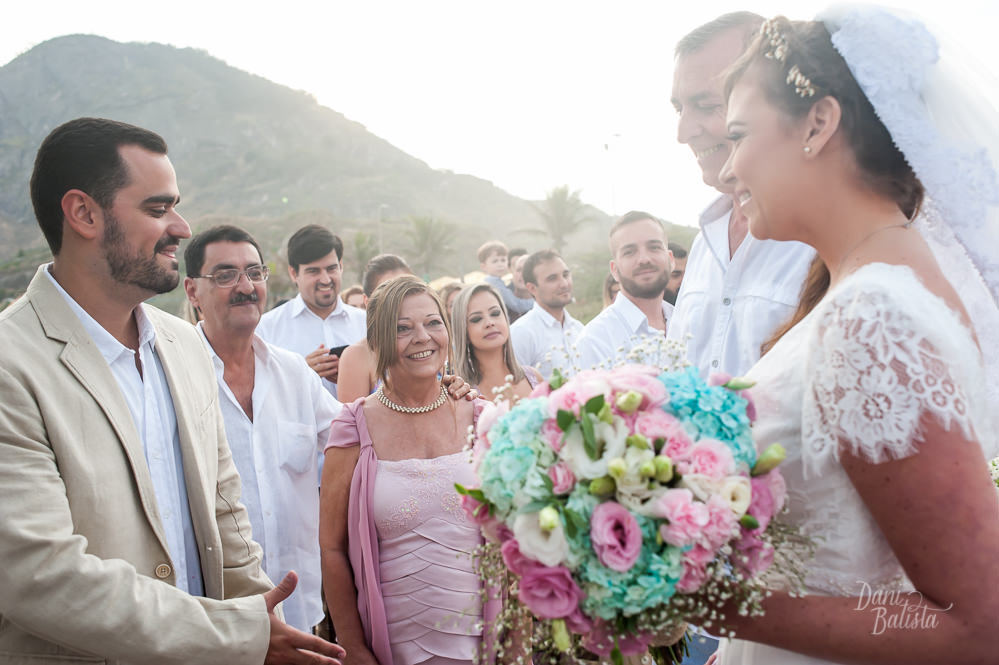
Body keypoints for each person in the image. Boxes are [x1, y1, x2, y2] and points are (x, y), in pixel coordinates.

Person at [688, 10, 999, 664]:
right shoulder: (872, 286)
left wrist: (699, 598)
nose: (726, 169)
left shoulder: (871, 314)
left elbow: (978, 625)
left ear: (818, 124)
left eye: (737, 132)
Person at [0, 117, 343, 664]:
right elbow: (39, 576)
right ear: (84, 214)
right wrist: (236, 636)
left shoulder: (183, 346)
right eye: (158, 209)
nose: (182, 228)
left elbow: (225, 509)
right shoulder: (12, 363)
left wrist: (262, 621)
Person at [320, 276, 500, 665]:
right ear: (378, 342)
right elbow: (332, 547)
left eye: (433, 323)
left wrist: (516, 644)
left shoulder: (482, 417)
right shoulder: (353, 426)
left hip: (483, 641)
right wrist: (354, 647)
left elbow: (512, 541)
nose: (423, 337)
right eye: (403, 328)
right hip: (392, 646)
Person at [183, 224, 342, 633]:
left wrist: (430, 400)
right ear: (191, 291)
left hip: (300, 610)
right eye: (225, 275)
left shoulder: (293, 373)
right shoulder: (173, 376)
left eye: (254, 273)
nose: (245, 286)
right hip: (215, 621)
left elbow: (353, 436)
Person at [668, 12, 816, 378]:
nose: (683, 132)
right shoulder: (705, 241)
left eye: (706, 105)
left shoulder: (823, 239)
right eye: (678, 108)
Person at [256, 224, 366, 397]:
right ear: (293, 273)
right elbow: (256, 394)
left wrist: (359, 374)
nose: (325, 279)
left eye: (331, 269)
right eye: (314, 271)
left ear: (341, 266)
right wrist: (301, 374)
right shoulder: (266, 329)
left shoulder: (368, 324)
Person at [575, 211, 675, 371]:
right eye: (629, 252)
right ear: (614, 270)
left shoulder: (687, 323)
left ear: (671, 260)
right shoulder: (595, 340)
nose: (644, 259)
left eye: (654, 247)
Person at [452, 283, 543, 401]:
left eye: (495, 313)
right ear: (463, 332)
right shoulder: (464, 395)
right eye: (476, 319)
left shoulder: (534, 377)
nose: (490, 322)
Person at [509, 249, 583, 379]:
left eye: (565, 275)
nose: (564, 284)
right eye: (552, 279)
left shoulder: (579, 329)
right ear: (532, 288)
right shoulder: (521, 333)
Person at [477, 240, 534, 319]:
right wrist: (537, 303)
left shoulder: (497, 281)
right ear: (484, 266)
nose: (500, 264)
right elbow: (516, 305)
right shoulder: (494, 283)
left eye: (503, 260)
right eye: (495, 261)